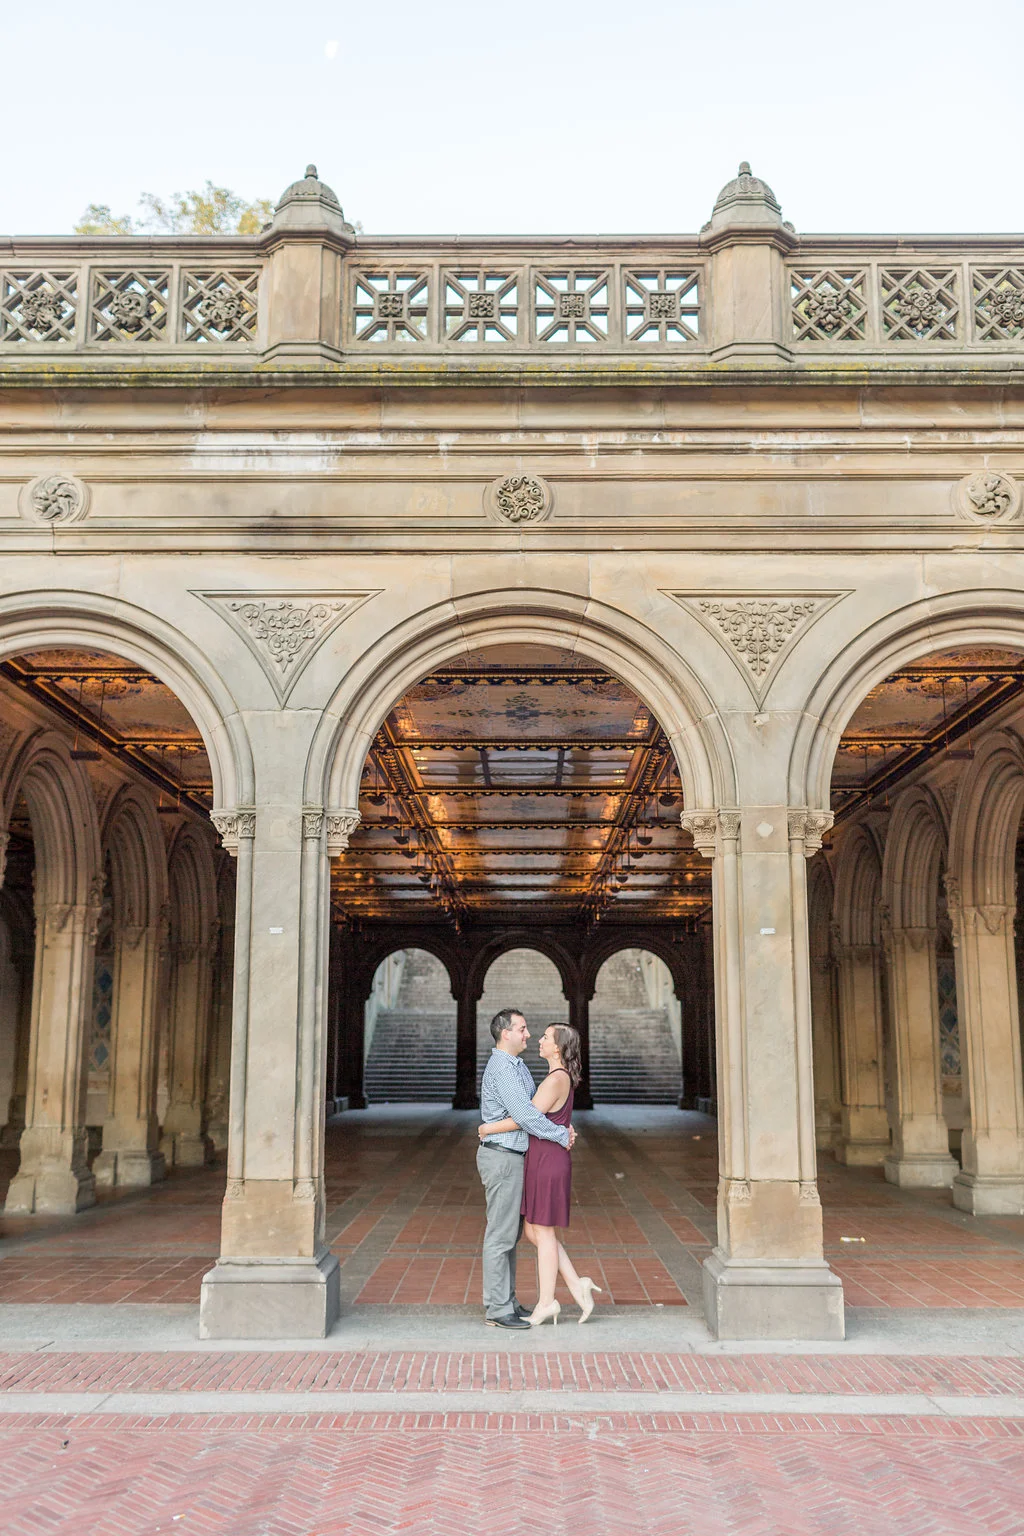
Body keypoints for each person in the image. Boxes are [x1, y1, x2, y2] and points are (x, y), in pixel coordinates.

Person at [478, 1022, 601, 1327]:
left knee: (541, 1233)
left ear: (558, 1047)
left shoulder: (555, 1079)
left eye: (545, 1037)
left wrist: (487, 1128)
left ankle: (547, 1302)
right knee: (534, 1231)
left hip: (547, 1160)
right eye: (527, 1030)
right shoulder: (551, 1077)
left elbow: (525, 1117)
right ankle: (576, 1284)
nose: (538, 1039)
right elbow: (538, 1116)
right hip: (542, 1157)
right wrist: (562, 1130)